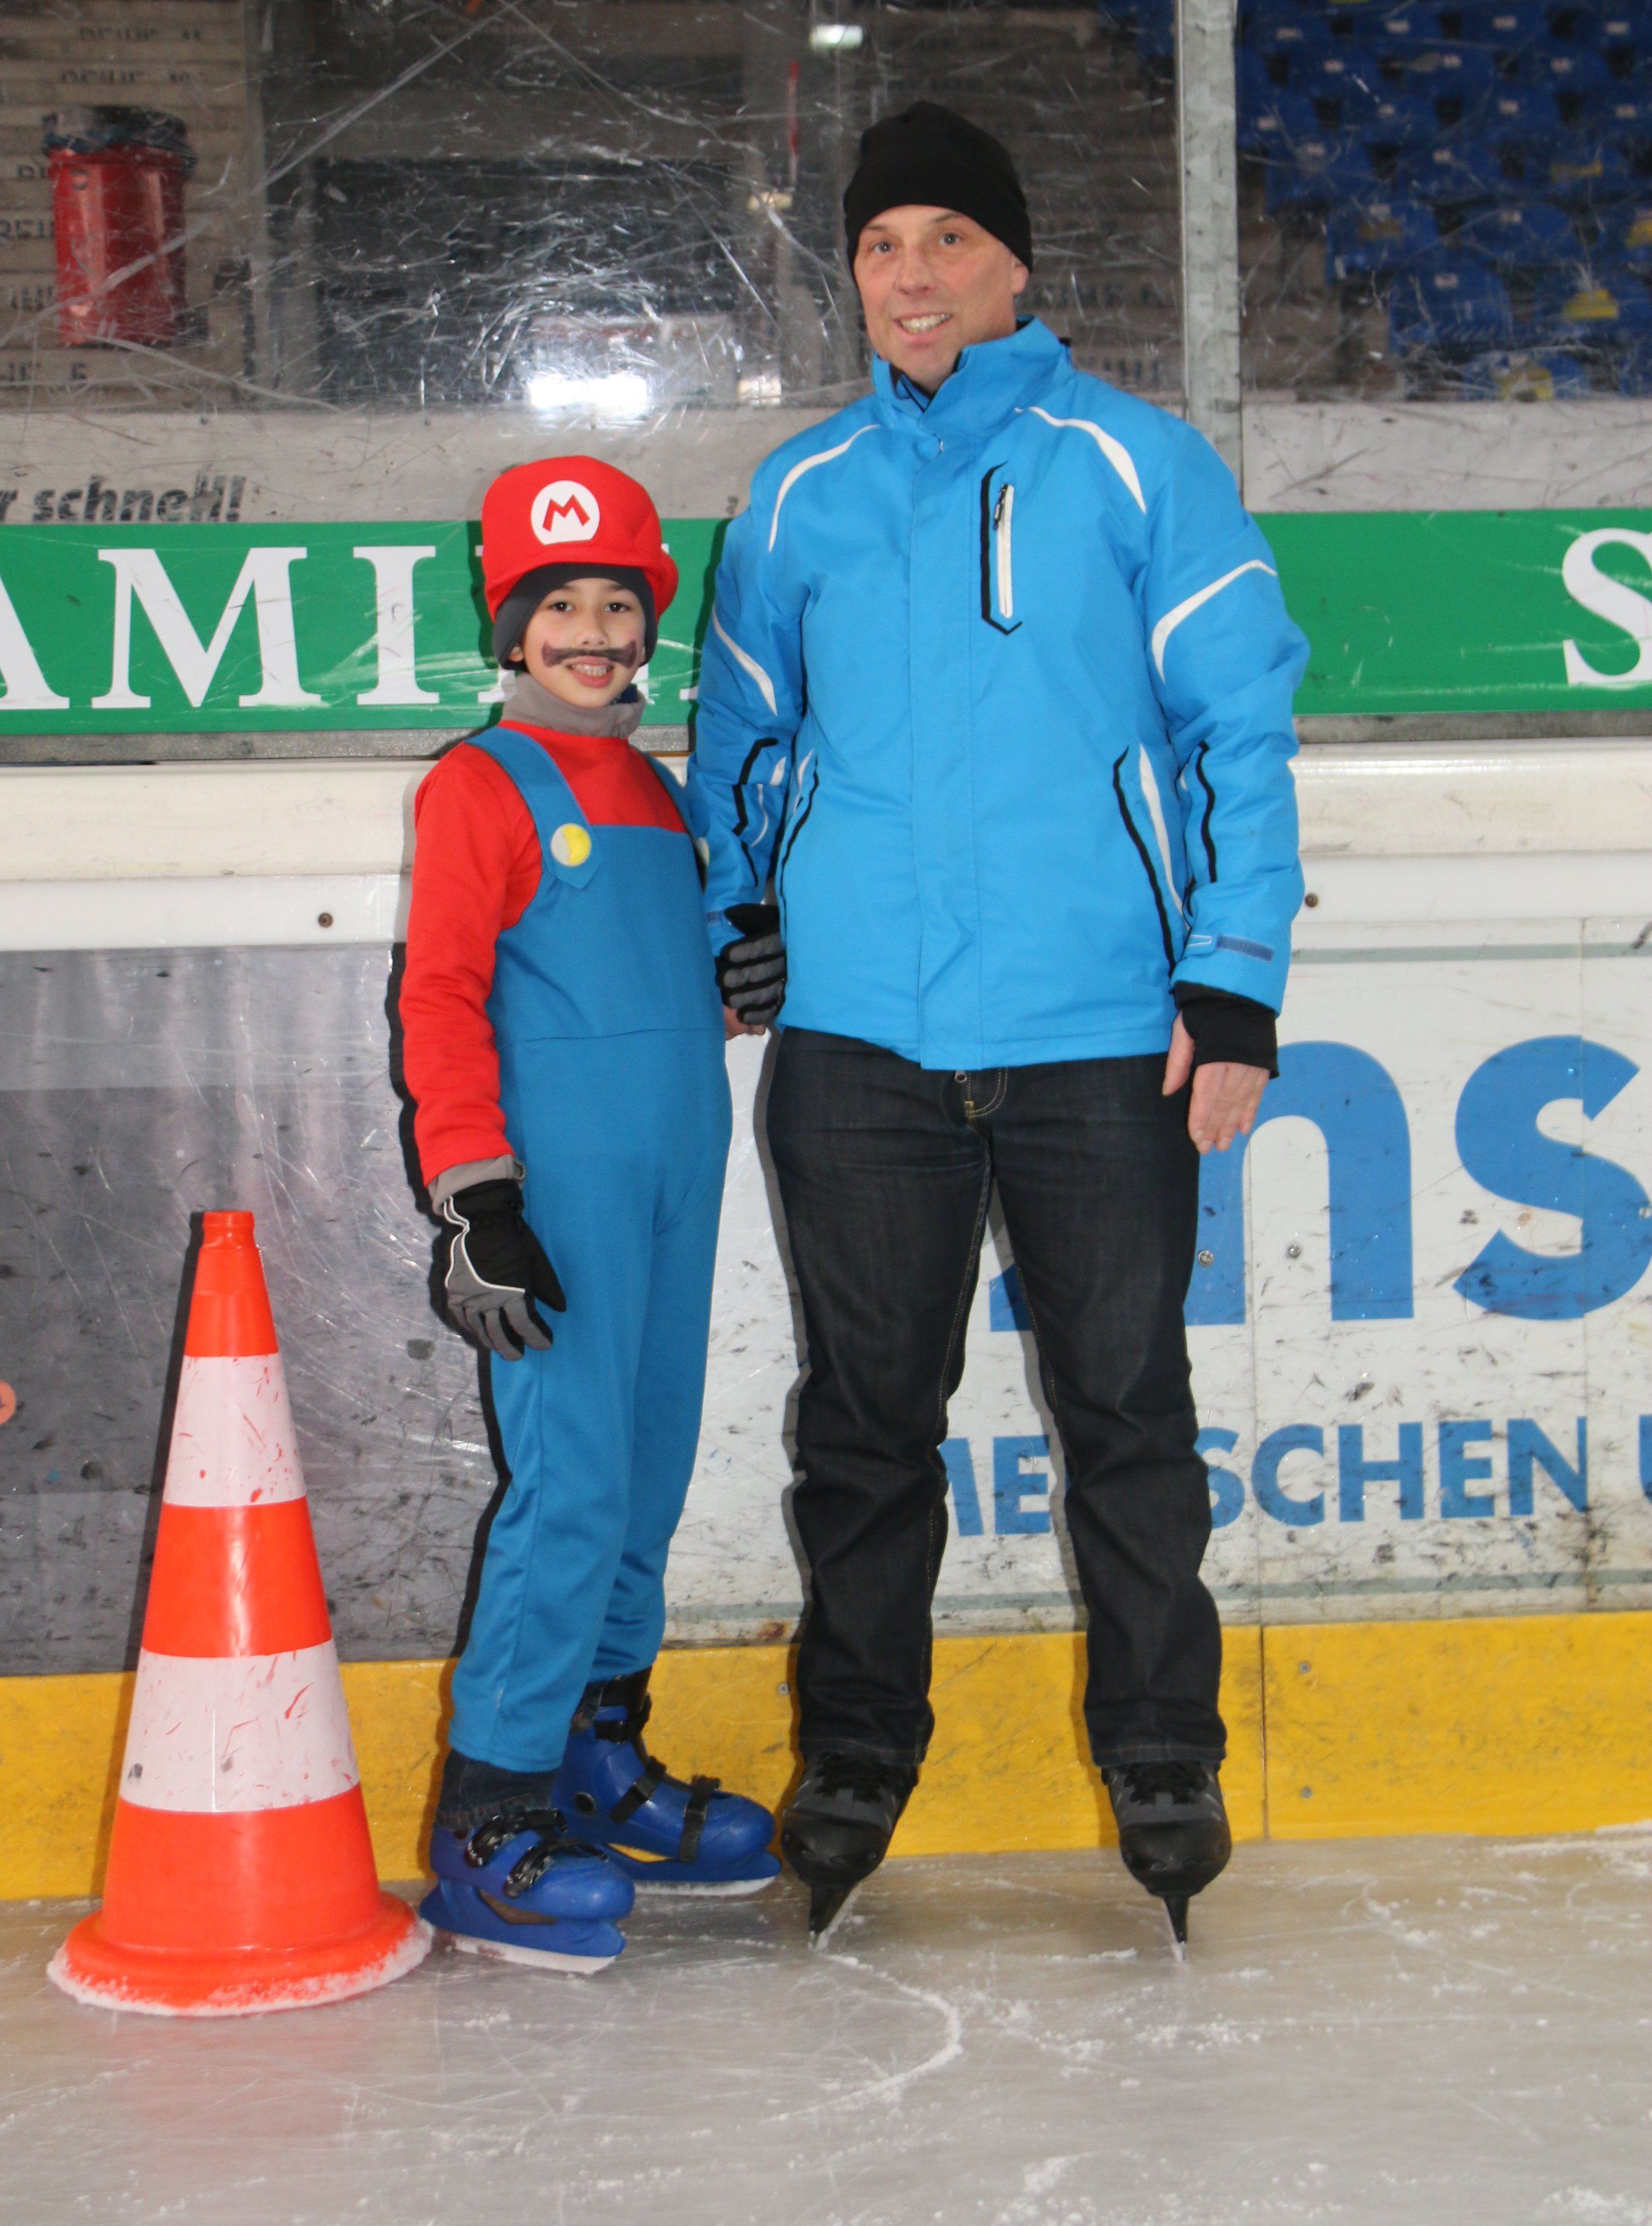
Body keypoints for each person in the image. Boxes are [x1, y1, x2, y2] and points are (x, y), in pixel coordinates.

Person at [690, 102, 1308, 1947]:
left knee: (1126, 1411)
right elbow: (739, 727)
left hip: (1098, 1031)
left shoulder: (1135, 463)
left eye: (947, 238)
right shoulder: (798, 493)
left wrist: (1235, 973)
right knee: (864, 1425)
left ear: (1015, 264)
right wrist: (744, 908)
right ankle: (856, 1752)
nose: (911, 275)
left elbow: (1238, 725)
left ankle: (1162, 1752)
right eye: (881, 245)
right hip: (859, 1047)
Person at [399, 454, 782, 1973]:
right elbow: (441, 997)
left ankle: (594, 1760)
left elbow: (660, 982)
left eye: (619, 605)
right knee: (565, 1489)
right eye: (560, 606)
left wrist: (742, 974)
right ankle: (487, 1820)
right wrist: (477, 1202)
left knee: (642, 1478)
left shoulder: (664, 795)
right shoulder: (478, 783)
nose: (595, 634)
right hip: (557, 1197)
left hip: (677, 1178)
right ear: (511, 627)